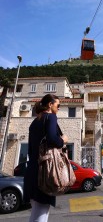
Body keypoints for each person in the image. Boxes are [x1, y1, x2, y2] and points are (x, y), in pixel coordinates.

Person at [24, 94, 68, 222]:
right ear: (50, 105)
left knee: (36, 212)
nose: (58, 108)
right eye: (58, 105)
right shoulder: (51, 117)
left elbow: (31, 150)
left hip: (32, 171)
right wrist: (63, 140)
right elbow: (53, 140)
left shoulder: (35, 122)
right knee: (41, 214)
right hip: (44, 172)